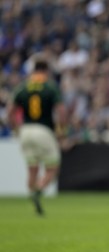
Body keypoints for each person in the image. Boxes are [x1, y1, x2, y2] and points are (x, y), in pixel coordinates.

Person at [7, 56, 65, 215]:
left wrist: (16, 129)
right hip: (44, 130)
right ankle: (38, 191)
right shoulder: (50, 87)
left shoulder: (22, 87)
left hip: (25, 130)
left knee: (32, 170)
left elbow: (10, 111)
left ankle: (33, 200)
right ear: (46, 70)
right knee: (52, 168)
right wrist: (61, 131)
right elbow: (61, 111)